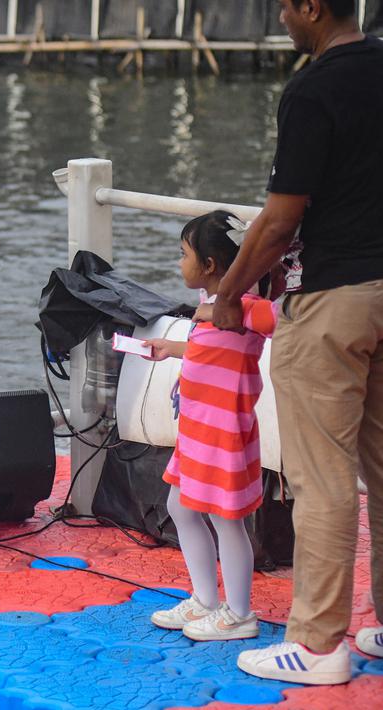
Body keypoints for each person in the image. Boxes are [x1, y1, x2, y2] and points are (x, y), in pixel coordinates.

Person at [209, 0, 383, 685]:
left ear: (311, 8)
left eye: (284, 5)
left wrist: (228, 296)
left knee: (322, 476)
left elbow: (280, 220)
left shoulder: (314, 87)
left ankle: (316, 645)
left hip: (334, 300)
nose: (281, 16)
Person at [141, 211, 274, 642]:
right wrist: (172, 347)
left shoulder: (244, 308)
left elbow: (281, 322)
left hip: (224, 438)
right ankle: (205, 599)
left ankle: (239, 613)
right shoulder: (211, 307)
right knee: (181, 507)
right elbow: (211, 349)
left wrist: (257, 303)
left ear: (210, 265)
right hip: (197, 433)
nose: (179, 262)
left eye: (183, 254)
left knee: (226, 520)